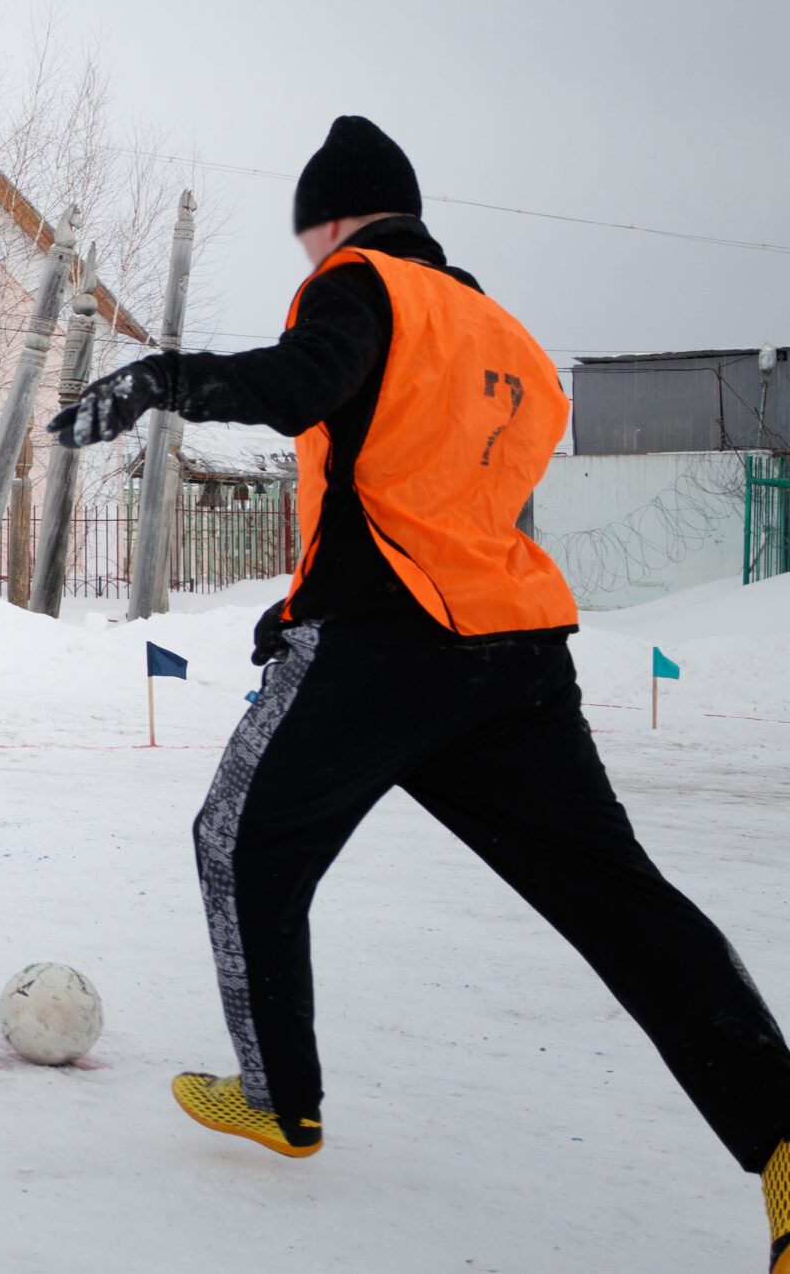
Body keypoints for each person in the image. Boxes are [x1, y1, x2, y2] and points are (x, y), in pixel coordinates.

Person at [51, 116, 790, 1265]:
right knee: (618, 900)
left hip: (384, 650)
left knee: (239, 842)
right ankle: (785, 1139)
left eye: (311, 237)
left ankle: (278, 1098)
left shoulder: (360, 286)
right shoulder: (508, 339)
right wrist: (297, 604)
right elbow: (424, 495)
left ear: (337, 221)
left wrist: (169, 379)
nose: (310, 261)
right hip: (511, 654)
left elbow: (309, 389)